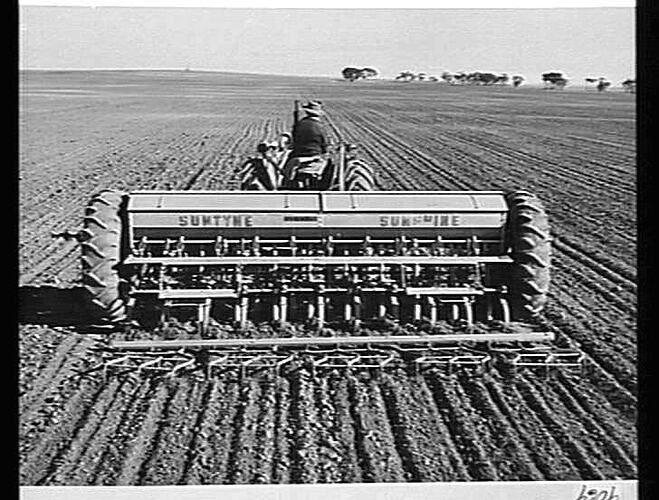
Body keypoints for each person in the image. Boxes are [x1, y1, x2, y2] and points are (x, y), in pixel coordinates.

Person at [283, 101, 329, 188]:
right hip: (315, 155)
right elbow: (324, 144)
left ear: (307, 112)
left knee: (285, 171)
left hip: (297, 156)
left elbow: (294, 140)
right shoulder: (320, 127)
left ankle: (285, 183)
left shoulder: (300, 124)